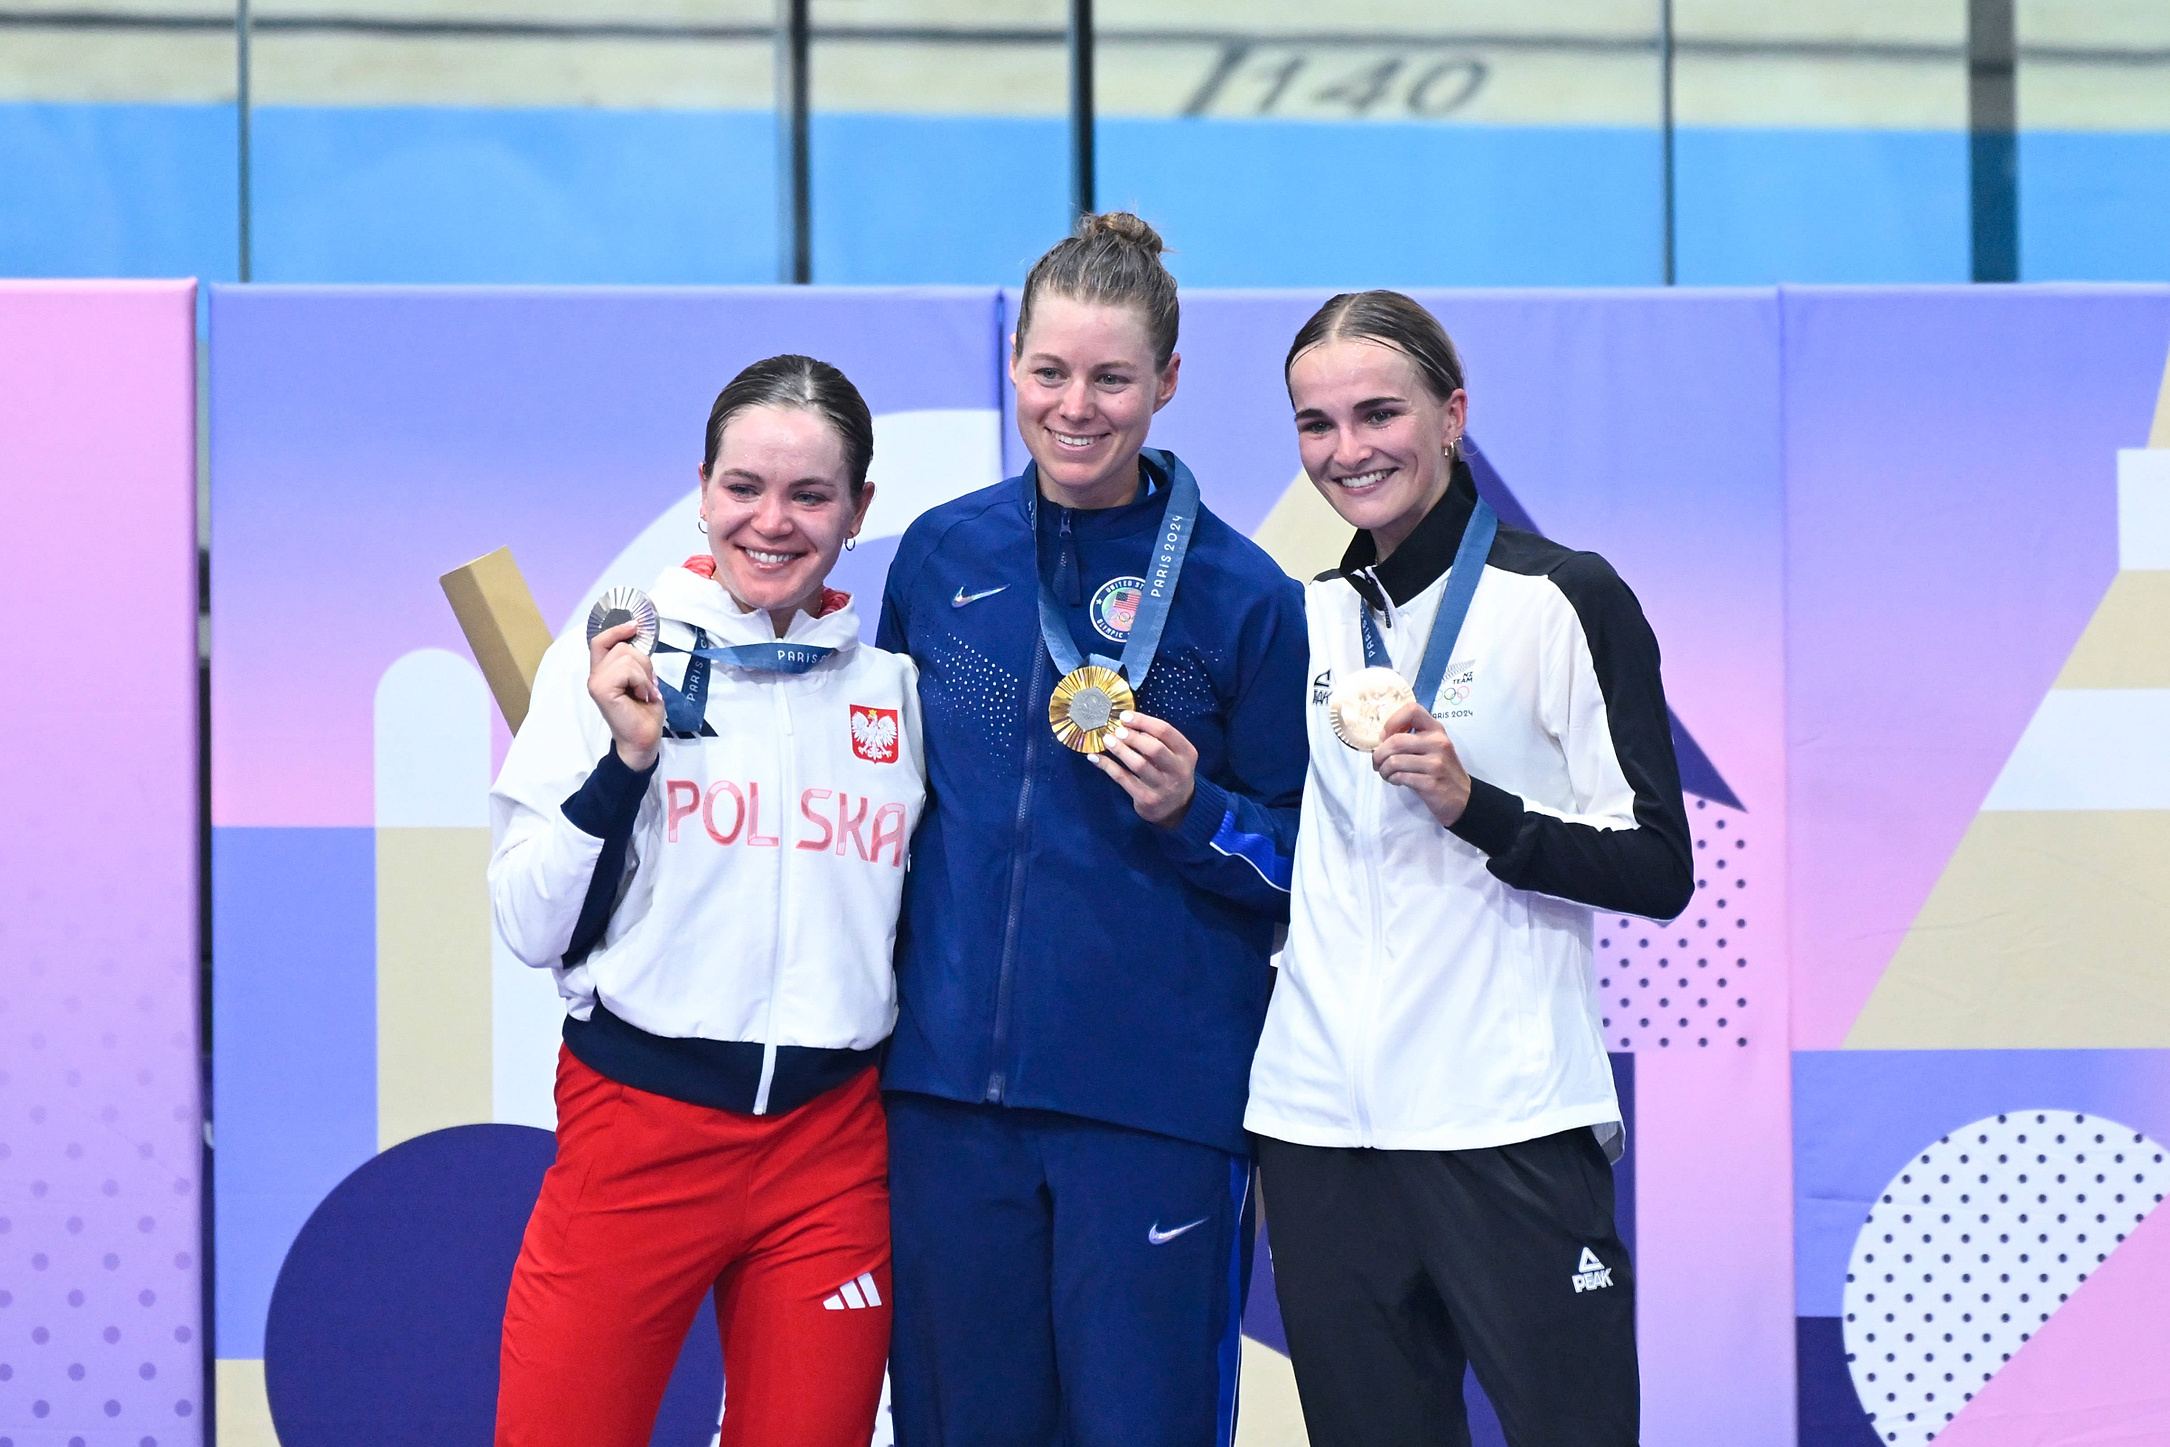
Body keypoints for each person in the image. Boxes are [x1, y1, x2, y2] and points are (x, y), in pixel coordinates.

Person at [876, 212, 1310, 1447]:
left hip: (1155, 1111)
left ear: (1166, 383)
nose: (1077, 406)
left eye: (1112, 378)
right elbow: (882, 809)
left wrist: (1197, 812)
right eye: (1050, 371)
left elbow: (1303, 866)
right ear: (1012, 365)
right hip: (950, 1102)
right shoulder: (942, 555)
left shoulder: (1244, 594)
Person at [1247, 291, 1694, 1447]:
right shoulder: (1301, 615)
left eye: (1379, 412)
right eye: (1316, 423)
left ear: (1452, 414)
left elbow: (1657, 864)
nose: (1348, 450)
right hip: (1319, 1131)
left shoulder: (1561, 597)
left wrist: (1471, 803)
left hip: (1504, 1120)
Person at [487, 354, 924, 1447]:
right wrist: (623, 764)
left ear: (858, 508)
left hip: (829, 1155)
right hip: (637, 1132)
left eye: (810, 495)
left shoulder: (893, 694)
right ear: (701, 487)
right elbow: (529, 924)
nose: (771, 523)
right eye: (743, 488)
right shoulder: (609, 667)